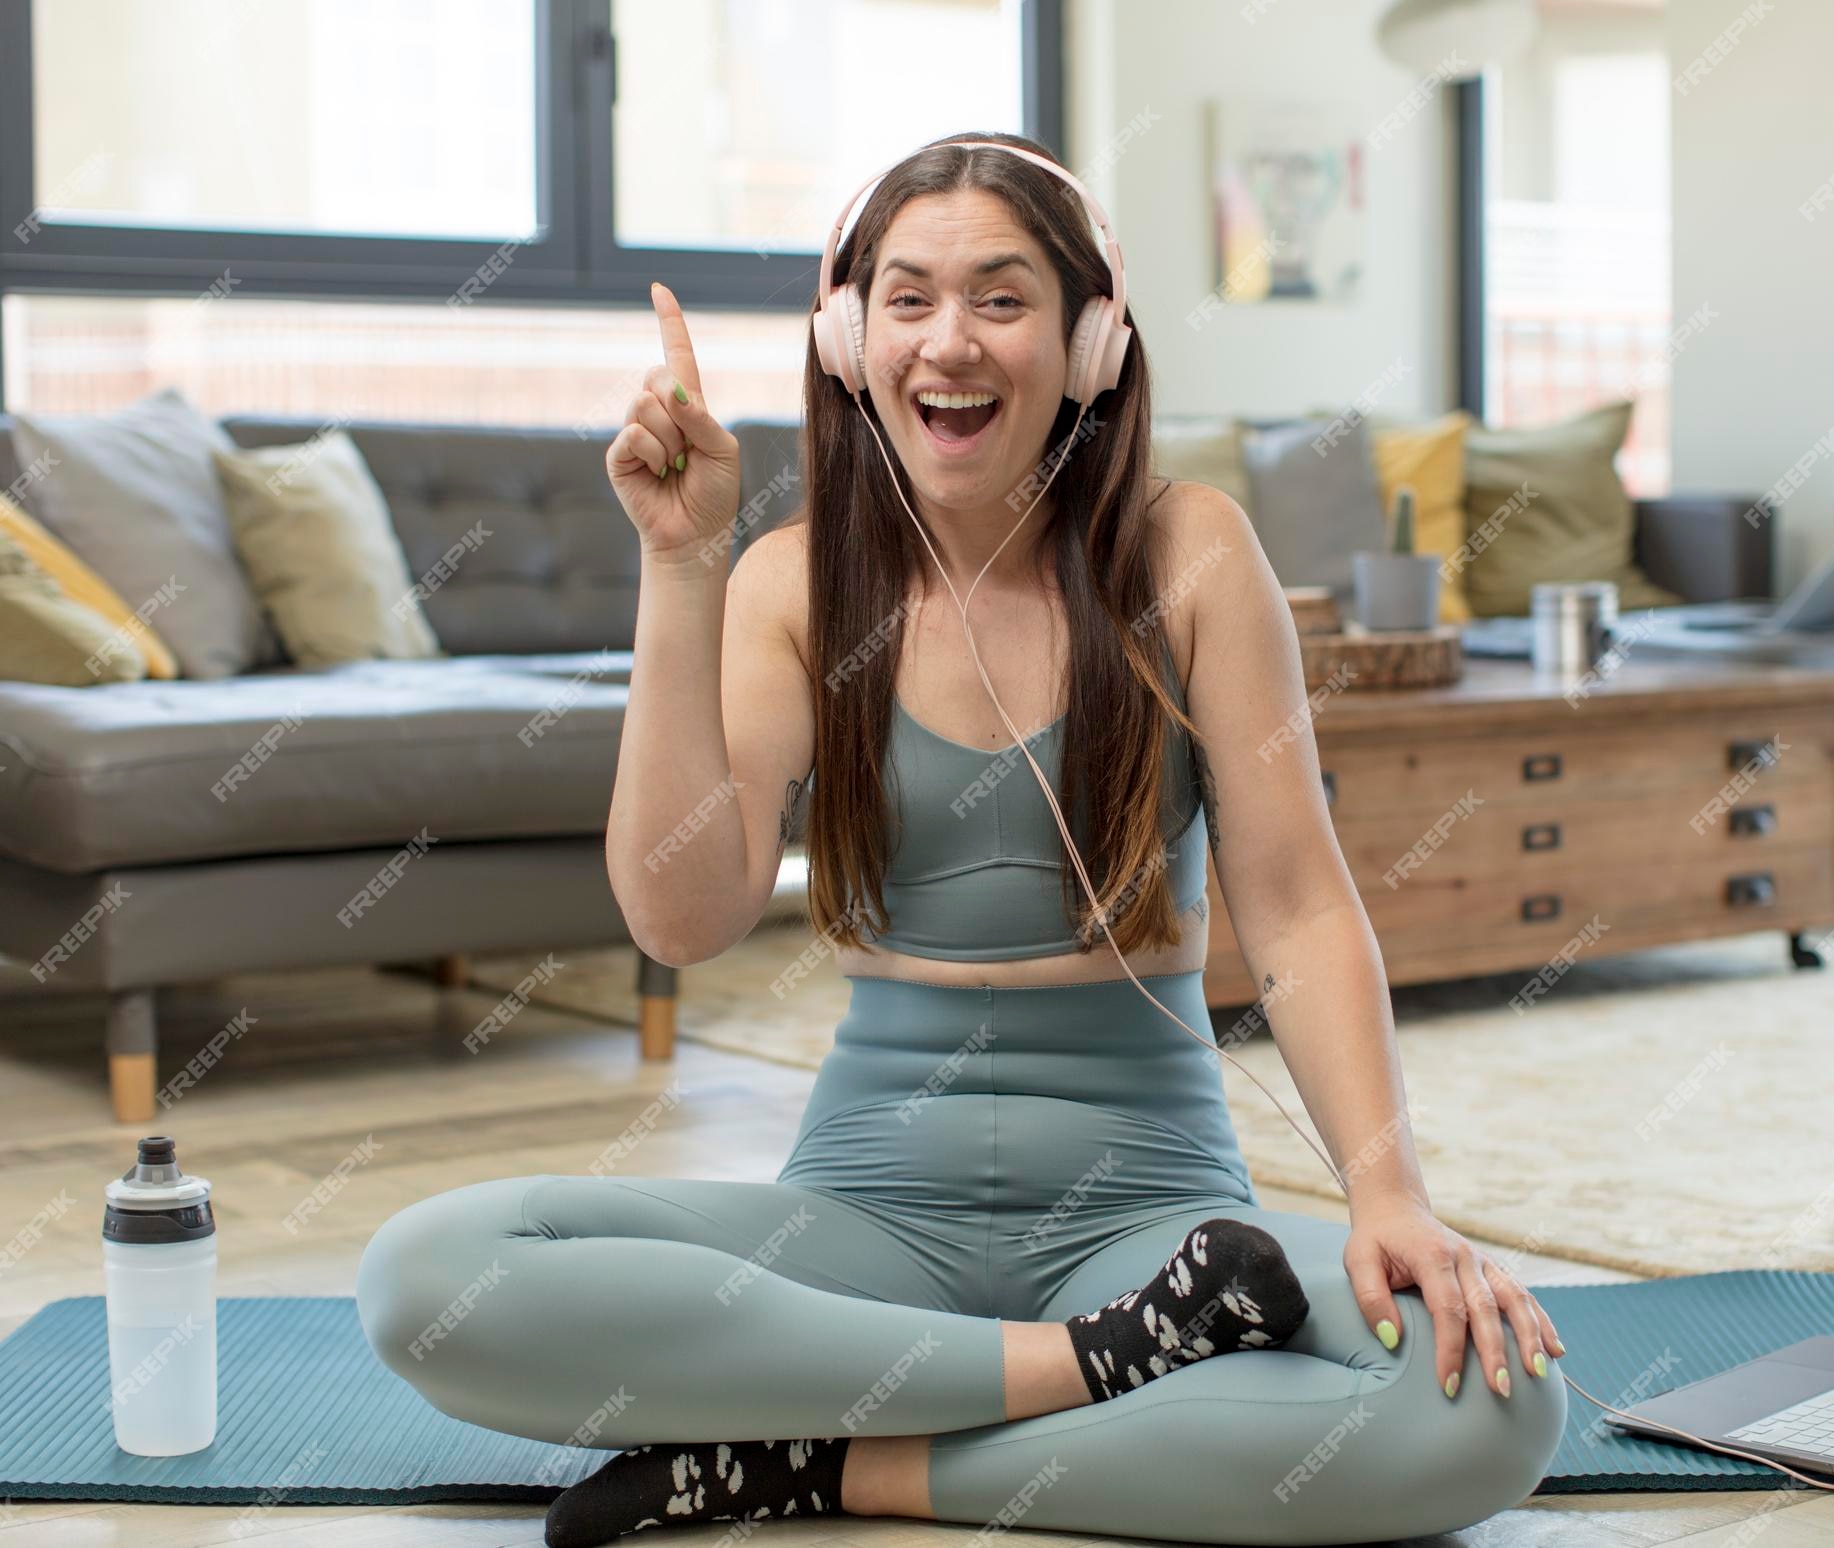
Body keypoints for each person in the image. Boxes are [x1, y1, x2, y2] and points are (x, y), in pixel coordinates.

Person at [355, 131, 1568, 1548]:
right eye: (910, 297)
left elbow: (1297, 907)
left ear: (1092, 342)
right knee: (426, 1277)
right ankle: (1098, 1375)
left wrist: (1389, 1198)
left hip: (1155, 1210)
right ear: (850, 337)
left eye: (1002, 299)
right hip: (867, 1212)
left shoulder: (1194, 554)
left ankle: (830, 1461)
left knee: (1493, 1407)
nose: (953, 341)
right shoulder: (791, 579)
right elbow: (681, 920)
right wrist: (678, 570)